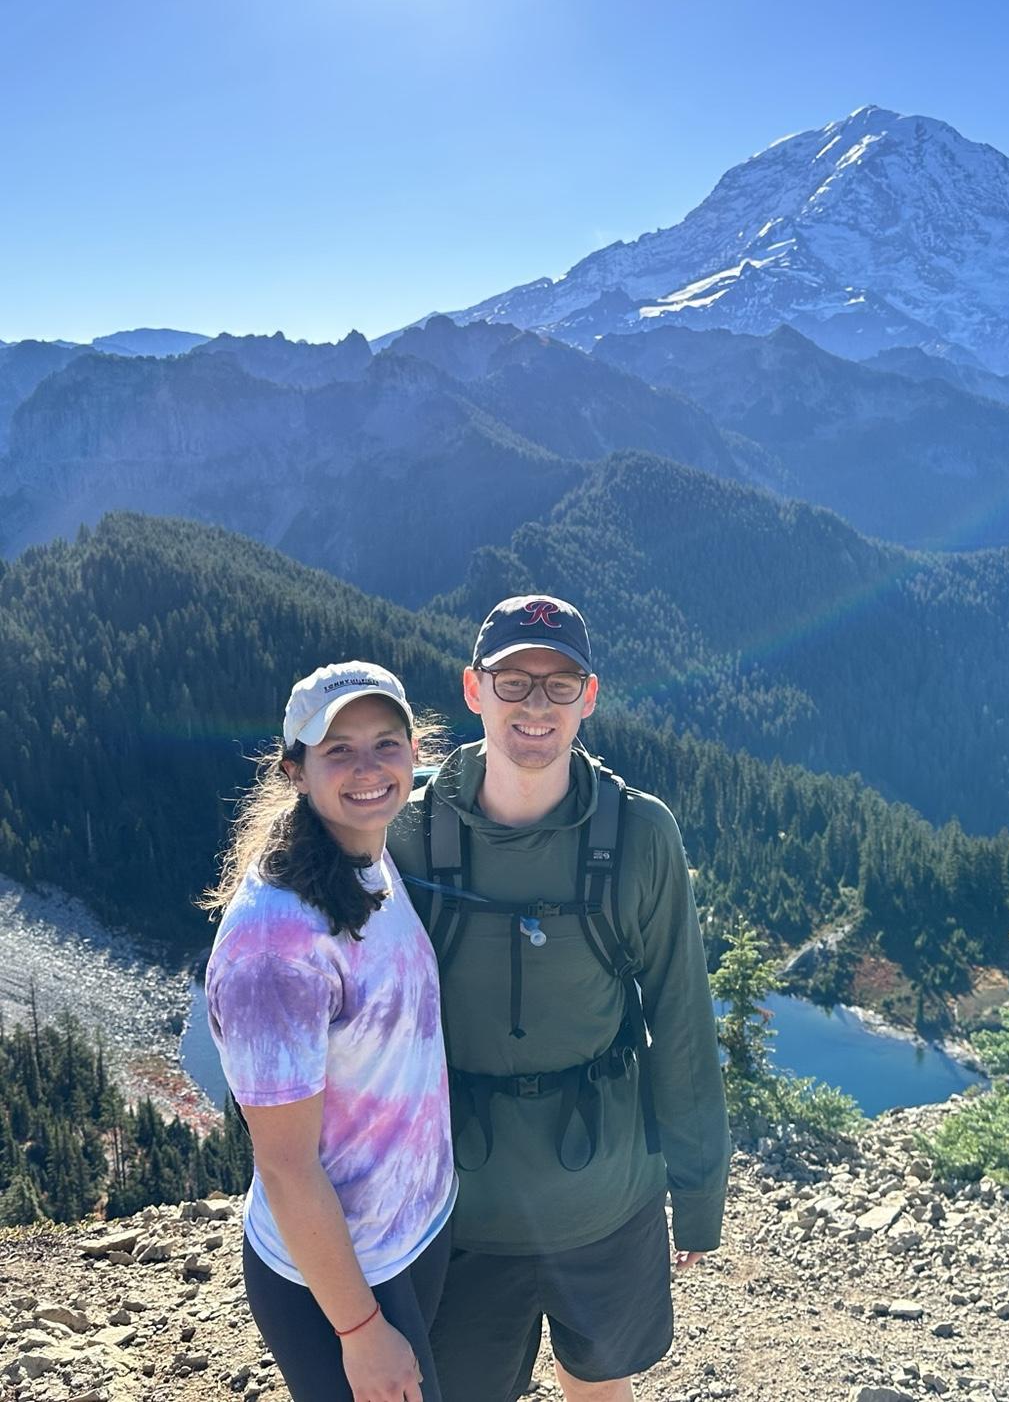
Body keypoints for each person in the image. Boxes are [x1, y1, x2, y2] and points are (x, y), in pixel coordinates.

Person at [387, 594, 730, 1402]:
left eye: (559, 683)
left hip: (608, 1200)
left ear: (590, 696)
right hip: (455, 1215)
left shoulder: (643, 834)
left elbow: (680, 1016)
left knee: (600, 1386)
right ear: (473, 690)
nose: (535, 706)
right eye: (513, 682)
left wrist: (698, 1192)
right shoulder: (402, 833)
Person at [204, 662, 457, 1402]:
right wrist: (359, 1331)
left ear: (416, 749)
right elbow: (285, 1167)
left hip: (409, 1232)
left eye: (387, 743)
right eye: (338, 750)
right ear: (294, 769)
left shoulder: (362, 851)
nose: (369, 769)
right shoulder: (274, 945)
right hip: (342, 1280)